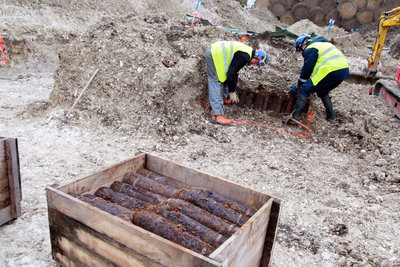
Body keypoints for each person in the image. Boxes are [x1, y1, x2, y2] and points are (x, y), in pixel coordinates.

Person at [283, 34, 349, 122]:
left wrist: (298, 86)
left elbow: (307, 70)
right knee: (322, 91)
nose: (302, 52)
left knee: (304, 89)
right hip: (343, 71)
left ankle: (294, 118)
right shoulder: (322, 44)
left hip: (330, 70)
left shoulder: (311, 48)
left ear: (303, 45)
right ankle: (331, 117)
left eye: (301, 49)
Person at [205, 40, 269, 125]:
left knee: (221, 80)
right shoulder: (244, 56)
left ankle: (214, 108)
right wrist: (231, 92)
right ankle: (217, 116)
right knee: (216, 82)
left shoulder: (247, 54)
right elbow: (231, 74)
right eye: (257, 63)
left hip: (215, 52)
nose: (255, 65)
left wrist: (232, 89)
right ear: (256, 57)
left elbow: (234, 74)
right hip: (215, 54)